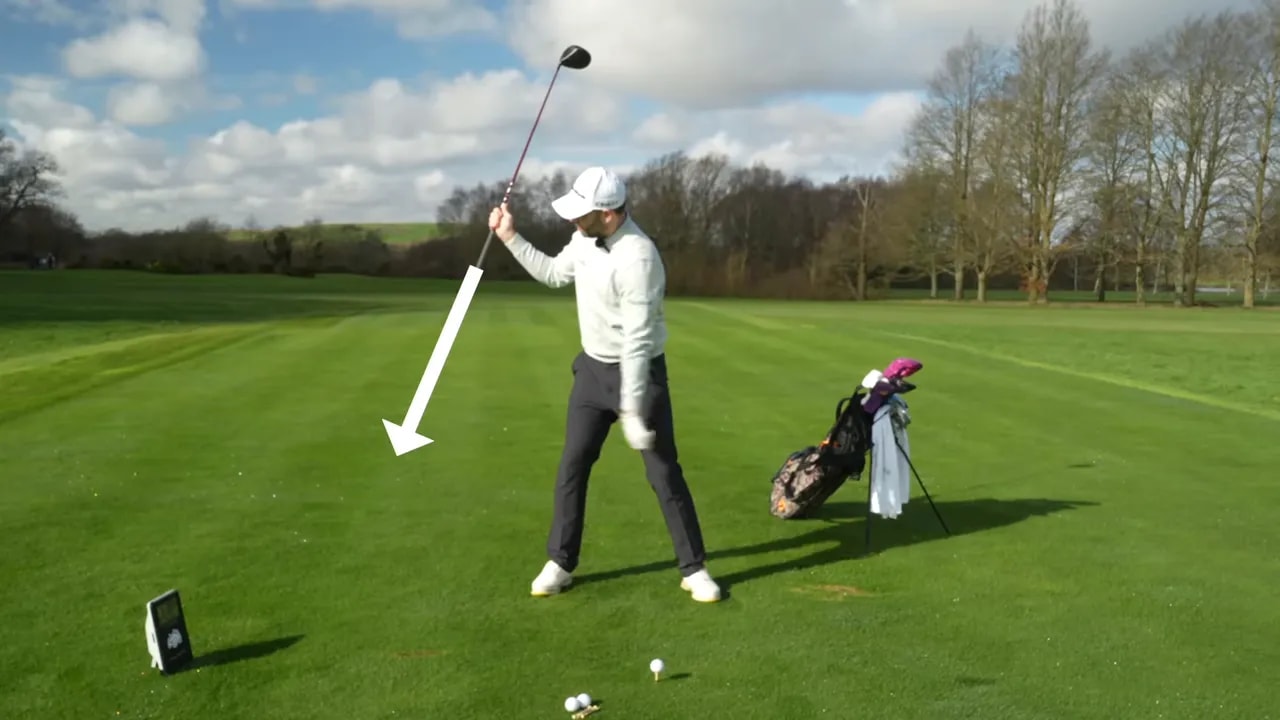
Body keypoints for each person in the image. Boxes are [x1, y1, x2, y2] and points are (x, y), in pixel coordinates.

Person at [488, 166, 721, 604]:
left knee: (663, 473)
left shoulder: (640, 258)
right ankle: (560, 562)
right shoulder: (584, 238)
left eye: (582, 212)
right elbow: (556, 274)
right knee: (572, 467)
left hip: (640, 375)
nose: (572, 220)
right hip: (592, 373)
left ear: (609, 213)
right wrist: (510, 238)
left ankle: (694, 569)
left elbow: (636, 342)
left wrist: (632, 409)